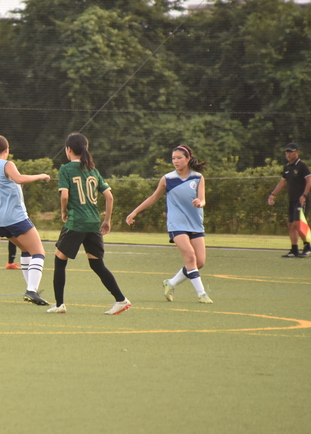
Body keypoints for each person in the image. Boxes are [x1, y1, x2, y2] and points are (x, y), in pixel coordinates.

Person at [49, 133, 131, 315]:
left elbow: (64, 195)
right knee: (97, 264)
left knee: (59, 260)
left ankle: (59, 304)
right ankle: (121, 299)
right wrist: (107, 220)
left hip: (76, 222)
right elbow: (109, 196)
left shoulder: (65, 170)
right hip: (94, 223)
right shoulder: (93, 170)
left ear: (68, 150)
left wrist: (63, 212)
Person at [126, 145, 213, 304]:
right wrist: (135, 212)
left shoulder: (198, 178)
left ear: (187, 159)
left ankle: (171, 283)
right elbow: (153, 198)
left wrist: (200, 203)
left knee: (199, 262)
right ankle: (202, 294)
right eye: (173, 158)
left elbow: (203, 199)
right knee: (190, 257)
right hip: (177, 224)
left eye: (179, 158)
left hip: (195, 224)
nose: (176, 161)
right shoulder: (167, 179)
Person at [0, 135, 51, 306]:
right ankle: (31, 290)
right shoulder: (7, 164)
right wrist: (41, 176)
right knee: (39, 253)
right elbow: (20, 179)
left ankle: (32, 290)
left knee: (25, 250)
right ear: (7, 150)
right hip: (15, 217)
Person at [267, 143, 311, 257]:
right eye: (287, 152)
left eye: (291, 152)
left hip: (301, 199)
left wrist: (304, 195)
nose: (288, 154)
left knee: (299, 224)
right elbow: (282, 183)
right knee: (291, 225)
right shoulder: (287, 167)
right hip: (292, 200)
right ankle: (294, 249)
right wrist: (272, 194)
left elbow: (309, 181)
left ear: (297, 152)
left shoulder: (302, 165)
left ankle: (308, 246)